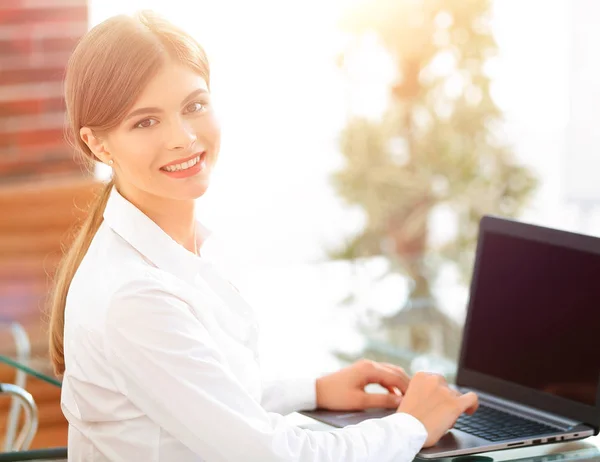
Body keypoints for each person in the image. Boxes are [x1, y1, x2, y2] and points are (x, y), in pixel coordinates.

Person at [47, 10, 478, 462]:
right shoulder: (134, 296)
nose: (184, 137)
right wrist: (411, 426)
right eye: (145, 122)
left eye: (193, 106)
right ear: (98, 144)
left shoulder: (180, 247)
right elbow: (273, 455)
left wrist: (313, 389)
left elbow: (201, 397)